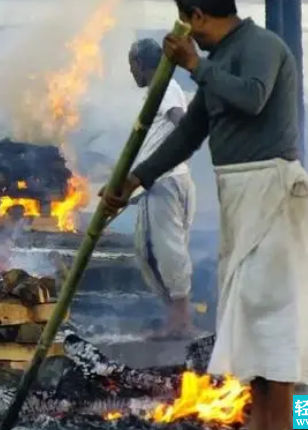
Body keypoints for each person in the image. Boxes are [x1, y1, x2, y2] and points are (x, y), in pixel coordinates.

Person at [100, 1, 308, 430]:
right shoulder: (216, 63)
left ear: (198, 15)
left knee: (274, 317)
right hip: (239, 197)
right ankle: (260, 423)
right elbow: (188, 134)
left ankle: (282, 426)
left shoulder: (261, 46)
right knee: (249, 316)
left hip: (272, 192)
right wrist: (134, 181)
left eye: (186, 19)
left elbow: (253, 98)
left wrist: (196, 65)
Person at [127, 38, 198, 340]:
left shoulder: (165, 88)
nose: (132, 74)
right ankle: (175, 319)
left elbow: (180, 122)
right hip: (161, 182)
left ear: (140, 64)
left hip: (165, 182)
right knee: (150, 251)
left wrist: (183, 140)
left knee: (164, 251)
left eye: (132, 67)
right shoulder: (162, 91)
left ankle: (181, 321)